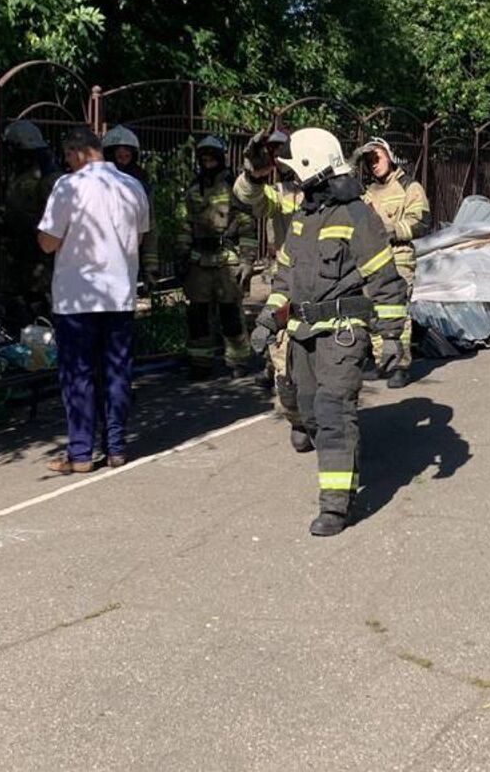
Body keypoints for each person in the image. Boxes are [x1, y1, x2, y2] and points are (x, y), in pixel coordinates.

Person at [250, 127, 409, 536]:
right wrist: (269, 318)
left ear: (312, 167)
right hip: (302, 330)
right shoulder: (304, 215)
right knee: (304, 407)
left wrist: (391, 335)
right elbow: (284, 277)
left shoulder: (356, 215)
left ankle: (337, 505)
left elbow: (386, 280)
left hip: (342, 333)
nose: (288, 178)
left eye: (293, 170)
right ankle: (342, 456)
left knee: (333, 411)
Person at [36, 126, 150, 474]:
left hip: (77, 298)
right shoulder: (133, 186)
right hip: (119, 295)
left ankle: (81, 453)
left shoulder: (69, 186)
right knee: (117, 371)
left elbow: (48, 242)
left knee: (78, 375)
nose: (67, 162)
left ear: (79, 151)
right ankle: (116, 448)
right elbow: (141, 237)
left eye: (68, 155)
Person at [233, 128, 309, 451]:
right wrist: (252, 174)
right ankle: (297, 418)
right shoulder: (278, 192)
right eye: (273, 152)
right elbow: (249, 199)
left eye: (284, 150)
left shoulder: (327, 189)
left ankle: (328, 415)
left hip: (325, 280)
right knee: (283, 356)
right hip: (286, 282)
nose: (279, 158)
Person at [175, 135, 256, 379]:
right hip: (199, 262)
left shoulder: (235, 188)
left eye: (212, 155)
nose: (207, 160)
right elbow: (184, 225)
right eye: (203, 156)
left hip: (227, 262)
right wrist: (181, 257)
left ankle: (238, 361)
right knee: (197, 315)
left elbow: (247, 227)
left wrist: (246, 260)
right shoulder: (193, 190)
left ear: (221, 157)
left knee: (230, 314)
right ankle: (200, 363)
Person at [353, 136, 430, 389]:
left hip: (399, 258)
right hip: (372, 260)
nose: (372, 164)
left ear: (389, 154)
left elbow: (421, 223)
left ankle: (400, 365)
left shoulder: (410, 187)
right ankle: (380, 361)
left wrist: (391, 230)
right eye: (368, 161)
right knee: (372, 311)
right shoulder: (368, 192)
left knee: (397, 310)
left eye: (376, 158)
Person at [0, 119, 62, 331]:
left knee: (39, 310)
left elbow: (54, 219)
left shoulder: (49, 178)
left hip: (40, 258)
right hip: (19, 257)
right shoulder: (22, 174)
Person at [102, 125, 160, 283]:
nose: (122, 161)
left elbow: (150, 228)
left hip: (129, 255)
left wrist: (150, 267)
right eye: (118, 157)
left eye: (126, 156)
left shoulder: (141, 184)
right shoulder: (97, 183)